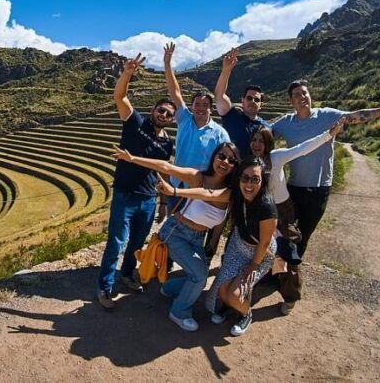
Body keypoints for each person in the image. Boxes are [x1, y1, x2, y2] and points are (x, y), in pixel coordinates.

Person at [271, 80, 380, 314]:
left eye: (304, 93)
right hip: (293, 189)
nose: (302, 97)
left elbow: (359, 116)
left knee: (301, 239)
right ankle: (280, 276)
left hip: (319, 190)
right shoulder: (286, 123)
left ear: (309, 95)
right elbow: (262, 132)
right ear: (291, 101)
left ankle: (289, 284)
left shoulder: (327, 116)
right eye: (296, 95)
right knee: (285, 235)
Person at [110, 141, 241, 331]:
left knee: (199, 277)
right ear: (214, 157)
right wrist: (131, 159)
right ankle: (179, 312)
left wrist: (213, 241)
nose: (225, 162)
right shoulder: (198, 177)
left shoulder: (229, 192)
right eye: (221, 156)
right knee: (199, 275)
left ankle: (169, 289)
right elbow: (167, 167)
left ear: (235, 166)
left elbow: (211, 198)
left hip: (198, 237)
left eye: (231, 160)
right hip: (176, 232)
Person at [158, 156, 277, 337]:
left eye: (255, 179)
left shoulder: (267, 206)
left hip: (259, 253)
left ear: (263, 180)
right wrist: (174, 191)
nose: (249, 184)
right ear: (238, 179)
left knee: (233, 296)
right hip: (238, 246)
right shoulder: (235, 195)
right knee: (222, 291)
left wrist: (253, 265)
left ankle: (246, 314)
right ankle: (227, 305)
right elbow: (207, 194)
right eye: (244, 178)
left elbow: (265, 242)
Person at [96, 53, 176, 309]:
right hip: (125, 195)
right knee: (116, 242)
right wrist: (128, 73)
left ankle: (127, 275)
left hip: (148, 199)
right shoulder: (136, 123)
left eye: (168, 113)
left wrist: (163, 202)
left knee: (136, 242)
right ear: (152, 110)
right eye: (161, 110)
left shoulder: (166, 142)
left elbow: (162, 172)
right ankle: (105, 288)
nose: (164, 114)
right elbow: (120, 97)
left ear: (172, 119)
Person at [248, 119, 346, 309]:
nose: (257, 144)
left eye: (261, 140)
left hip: (283, 211)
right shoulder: (249, 162)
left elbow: (302, 148)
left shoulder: (276, 158)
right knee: (264, 249)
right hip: (263, 213)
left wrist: (328, 135)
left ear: (268, 144)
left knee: (288, 251)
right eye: (254, 140)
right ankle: (265, 279)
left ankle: (291, 296)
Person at [162, 42, 230, 215]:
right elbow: (175, 92)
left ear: (211, 109)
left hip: (199, 189)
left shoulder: (220, 134)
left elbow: (226, 162)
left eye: (205, 105)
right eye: (197, 104)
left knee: (194, 228)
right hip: (176, 185)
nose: (200, 108)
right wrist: (167, 64)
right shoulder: (184, 119)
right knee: (172, 224)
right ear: (191, 107)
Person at [214, 48, 269, 158]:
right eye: (249, 98)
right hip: (229, 171)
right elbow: (219, 96)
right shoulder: (232, 115)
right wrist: (226, 70)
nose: (252, 101)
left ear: (261, 105)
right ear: (242, 101)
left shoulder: (266, 127)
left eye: (257, 100)